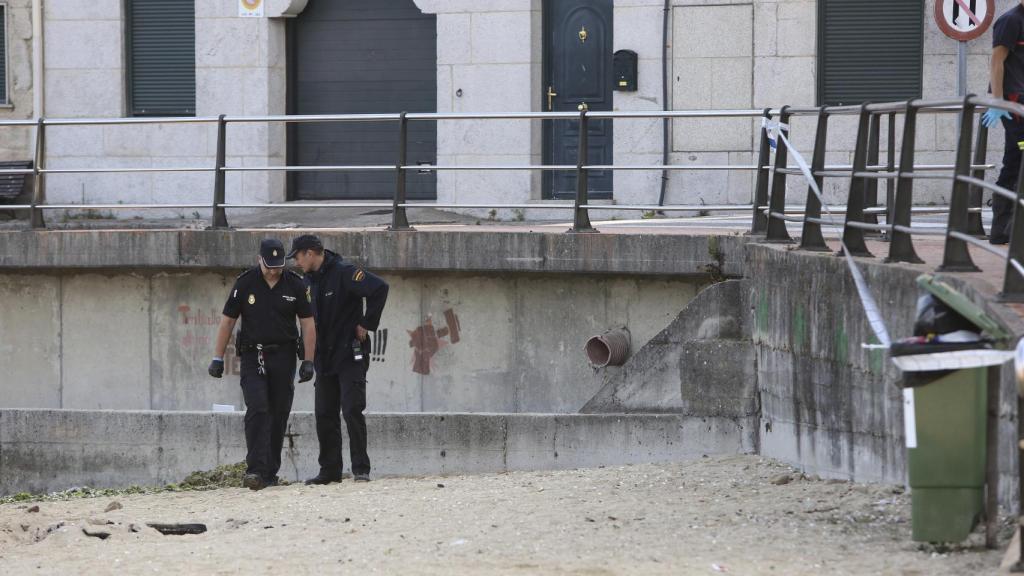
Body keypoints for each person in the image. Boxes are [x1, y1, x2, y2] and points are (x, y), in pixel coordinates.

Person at [209, 238, 317, 491]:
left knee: (279, 412)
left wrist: (309, 360)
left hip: (284, 355)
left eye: (278, 266)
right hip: (252, 356)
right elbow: (228, 321)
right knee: (258, 407)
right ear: (260, 260)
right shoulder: (245, 282)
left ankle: (270, 472)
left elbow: (308, 323)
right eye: (269, 265)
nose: (273, 271)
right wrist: (217, 357)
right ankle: (255, 470)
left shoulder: (296, 284)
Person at [287, 234, 389, 484]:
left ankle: (360, 469)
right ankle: (330, 470)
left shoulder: (344, 272)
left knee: (352, 409)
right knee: (324, 413)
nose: (297, 262)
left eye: (298, 256)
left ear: (310, 253)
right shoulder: (308, 281)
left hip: (349, 353)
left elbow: (379, 288)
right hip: (324, 356)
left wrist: (367, 323)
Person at [983, 0, 1024, 244]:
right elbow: (997, 60)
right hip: (1013, 104)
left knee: (1014, 160)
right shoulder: (1011, 20)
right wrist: (997, 101)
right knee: (1018, 157)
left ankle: (1003, 229)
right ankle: (1003, 226)